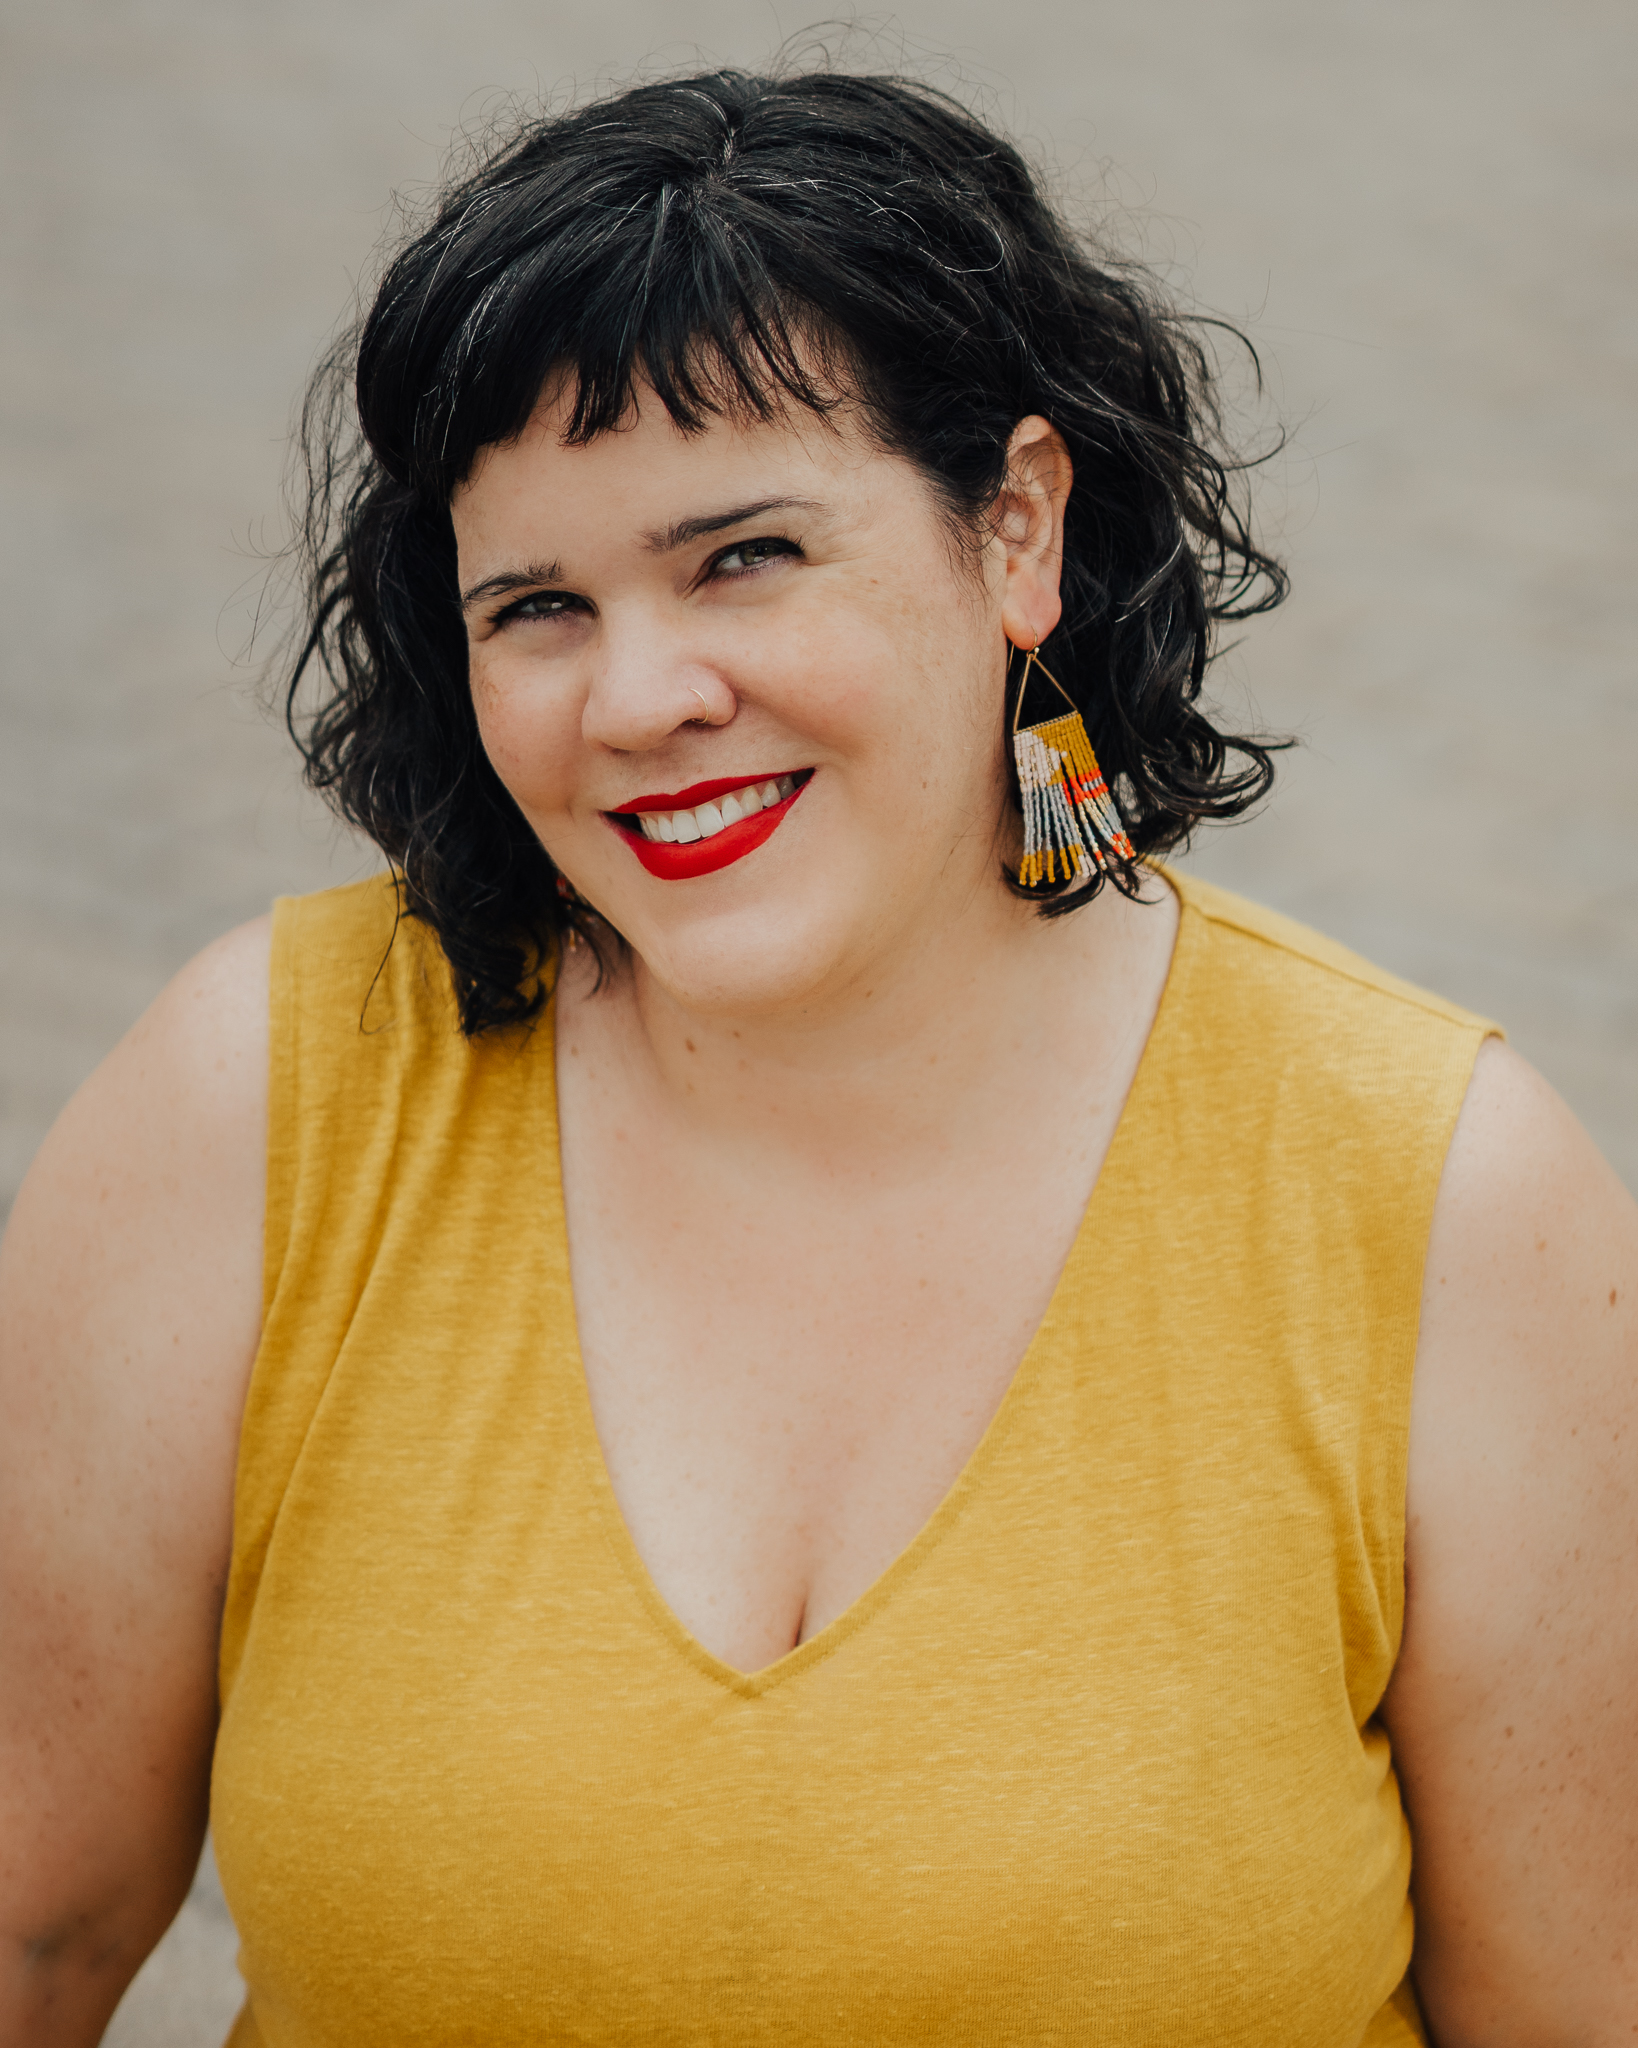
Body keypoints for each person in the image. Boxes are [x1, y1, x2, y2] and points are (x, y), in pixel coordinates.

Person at [2, 65, 1634, 2048]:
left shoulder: (1449, 1194)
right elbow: (33, 1939)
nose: (641, 697)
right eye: (538, 605)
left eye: (743, 557)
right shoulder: (246, 1101)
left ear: (1015, 526)